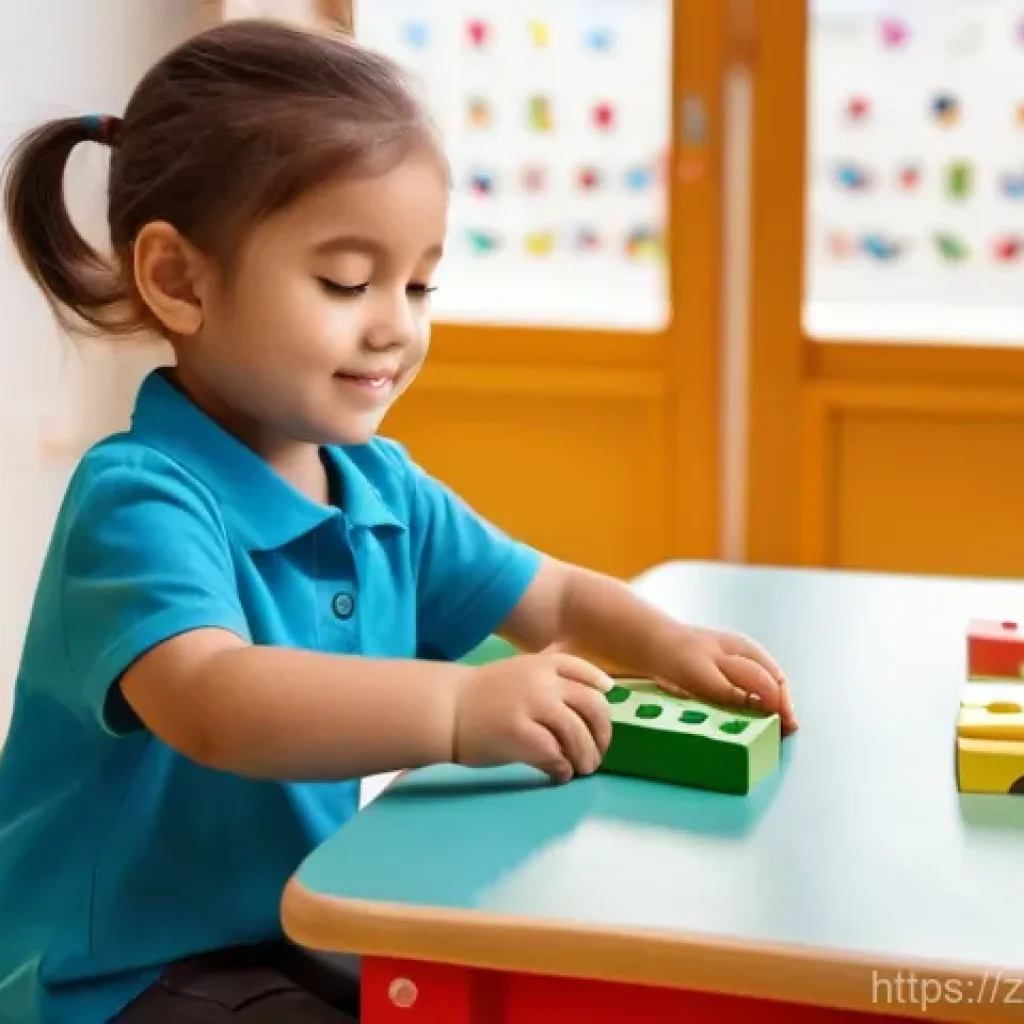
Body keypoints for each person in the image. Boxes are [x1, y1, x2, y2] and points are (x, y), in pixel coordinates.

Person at [0, 19, 797, 1024]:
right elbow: (216, 700)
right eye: (346, 282)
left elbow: (543, 592)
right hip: (120, 975)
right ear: (179, 280)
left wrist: (665, 641)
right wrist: (458, 713)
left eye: (419, 284)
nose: (396, 325)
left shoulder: (380, 488)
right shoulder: (141, 498)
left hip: (288, 925)